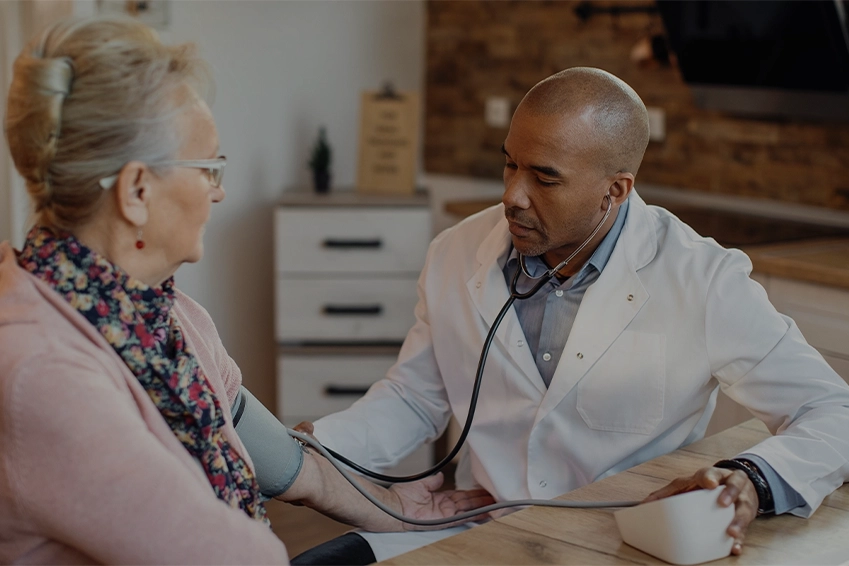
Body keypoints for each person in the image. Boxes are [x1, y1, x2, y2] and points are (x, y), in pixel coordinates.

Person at [305, 67, 849, 562]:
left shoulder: (702, 279)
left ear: (615, 190)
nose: (512, 195)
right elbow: (414, 398)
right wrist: (311, 453)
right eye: (509, 164)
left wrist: (753, 478)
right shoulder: (456, 250)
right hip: (477, 529)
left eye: (544, 178)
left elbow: (833, 411)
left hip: (624, 546)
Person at [0, 17, 491, 565]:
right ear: (137, 190)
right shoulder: (42, 374)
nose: (220, 191)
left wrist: (395, 507)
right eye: (208, 168)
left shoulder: (169, 315)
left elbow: (286, 462)